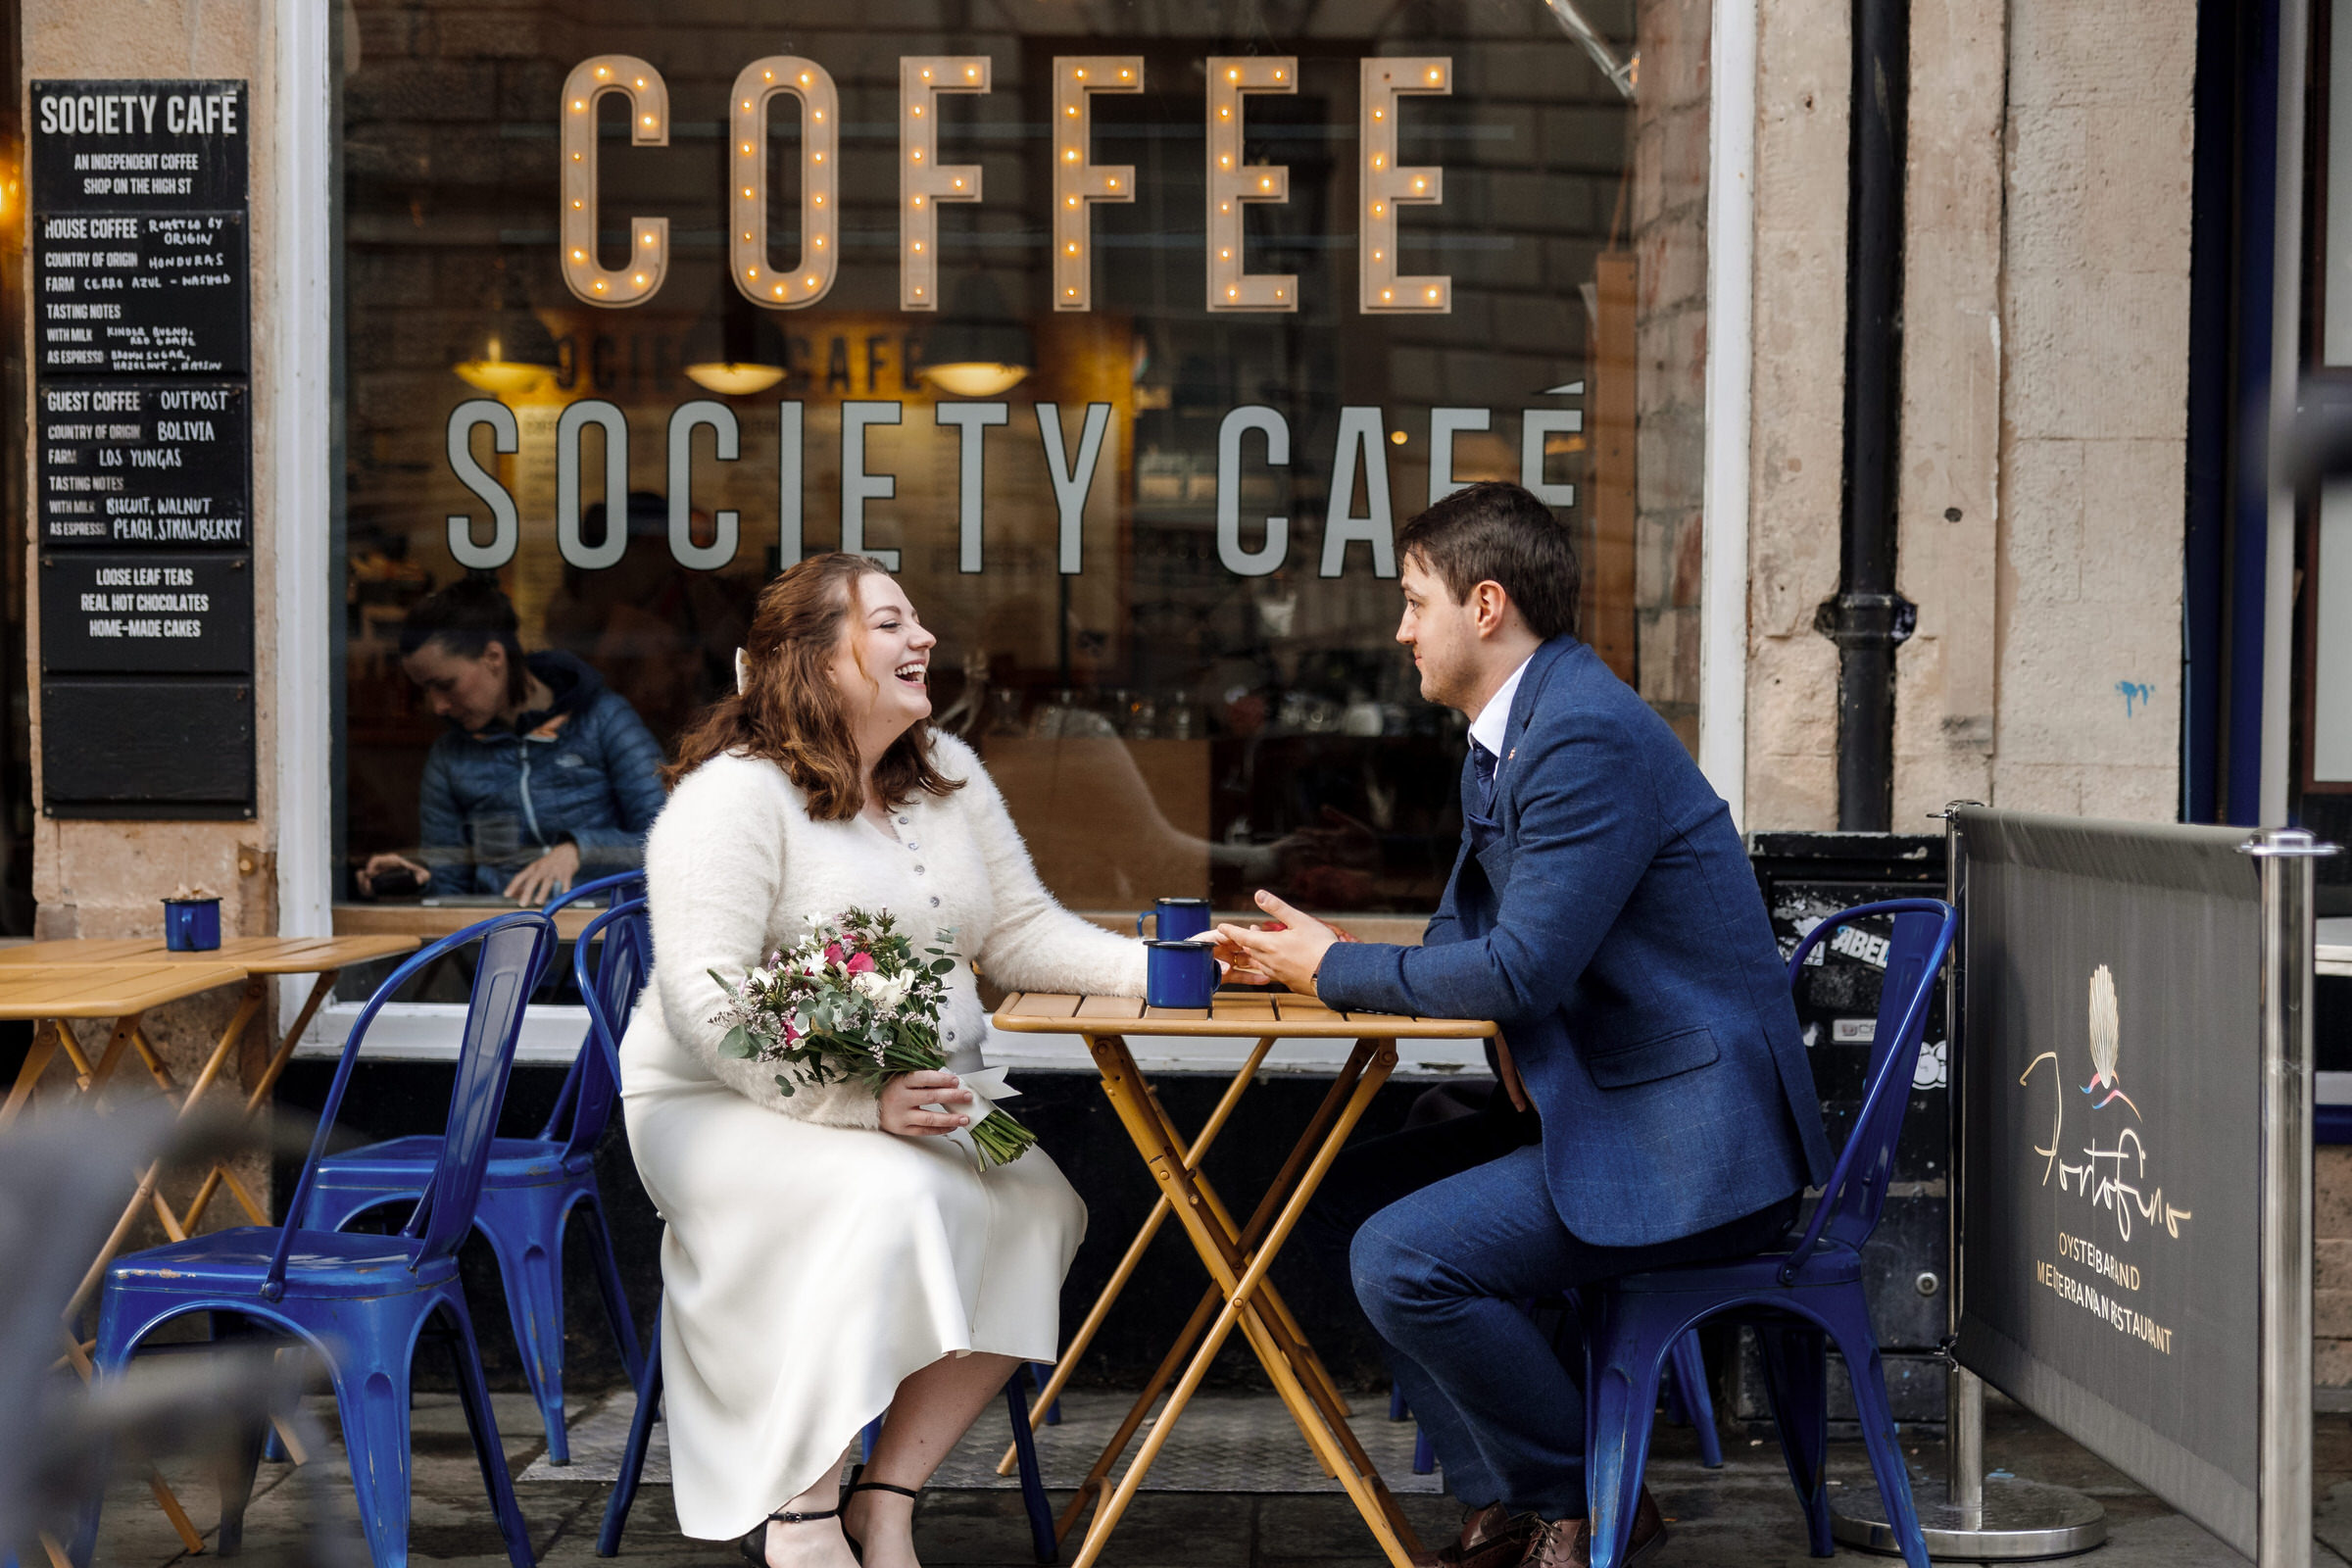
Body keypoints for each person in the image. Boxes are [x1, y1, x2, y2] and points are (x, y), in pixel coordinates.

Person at [1218, 482, 1832, 1568]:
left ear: (1486, 604)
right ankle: (1512, 1495)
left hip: (1693, 1141)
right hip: (1611, 1098)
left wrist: (1338, 971)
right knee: (1338, 1199)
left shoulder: (1580, 735)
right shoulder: (1514, 729)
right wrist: (1331, 949)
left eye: (1416, 603)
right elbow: (1469, 931)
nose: (1402, 630)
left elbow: (1521, 971)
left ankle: (1585, 1490)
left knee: (1404, 1258)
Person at [617, 553, 1149, 1568]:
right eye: (893, 622)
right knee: (892, 1199)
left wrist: (1170, 969)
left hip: (917, 1089)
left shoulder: (944, 773)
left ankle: (887, 1495)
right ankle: (803, 1510)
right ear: (816, 661)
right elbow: (705, 1000)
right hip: (716, 1103)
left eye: (919, 622)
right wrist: (863, 1104)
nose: (926, 640)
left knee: (1041, 1204)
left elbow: (1022, 933)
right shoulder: (732, 798)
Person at [361, 577, 666, 906]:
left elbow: (670, 839)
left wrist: (580, 851)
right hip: (502, 944)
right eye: (426, 690)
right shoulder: (449, 757)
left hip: (601, 938)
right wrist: (416, 878)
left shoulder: (604, 720)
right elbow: (449, 887)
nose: (437, 706)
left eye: (446, 684)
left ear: (494, 657)